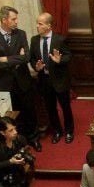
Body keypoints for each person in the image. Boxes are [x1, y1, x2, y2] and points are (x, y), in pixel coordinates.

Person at [0, 5, 36, 146]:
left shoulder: (21, 34)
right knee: (10, 116)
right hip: (4, 84)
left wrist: (6, 59)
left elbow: (26, 57)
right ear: (4, 20)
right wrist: (16, 58)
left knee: (29, 112)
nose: (16, 22)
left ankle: (33, 138)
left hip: (22, 81)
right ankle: (15, 142)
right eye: (13, 19)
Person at [30, 12, 73, 145]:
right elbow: (32, 58)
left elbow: (69, 56)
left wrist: (60, 60)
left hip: (60, 80)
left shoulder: (59, 39)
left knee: (65, 107)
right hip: (44, 80)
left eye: (40, 24)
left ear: (48, 26)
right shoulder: (34, 40)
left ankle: (69, 131)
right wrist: (36, 67)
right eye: (37, 23)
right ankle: (57, 131)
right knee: (50, 108)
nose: (37, 26)